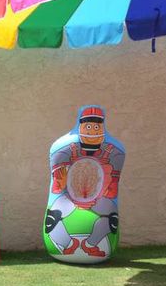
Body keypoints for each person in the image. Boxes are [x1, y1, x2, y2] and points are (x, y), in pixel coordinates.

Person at [44, 106, 125, 258]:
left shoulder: (115, 151)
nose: (92, 132)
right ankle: (69, 244)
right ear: (81, 125)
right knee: (52, 219)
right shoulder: (63, 148)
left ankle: (90, 244)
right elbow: (58, 185)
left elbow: (112, 186)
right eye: (88, 127)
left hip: (100, 196)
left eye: (96, 127)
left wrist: (97, 199)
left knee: (111, 217)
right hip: (66, 196)